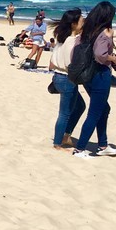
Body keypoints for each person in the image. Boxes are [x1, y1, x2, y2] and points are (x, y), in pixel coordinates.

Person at [71, 1, 116, 158]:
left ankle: (103, 144)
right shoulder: (105, 32)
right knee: (95, 112)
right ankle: (80, 148)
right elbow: (100, 55)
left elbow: (77, 50)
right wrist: (113, 59)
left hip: (87, 74)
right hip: (100, 74)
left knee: (104, 109)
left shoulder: (87, 30)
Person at [47, 8, 85, 151]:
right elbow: (71, 64)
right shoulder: (71, 41)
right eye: (81, 20)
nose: (84, 22)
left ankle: (66, 135)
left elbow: (52, 61)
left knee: (80, 106)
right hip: (66, 78)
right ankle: (57, 143)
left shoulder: (62, 39)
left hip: (59, 77)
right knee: (64, 112)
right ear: (73, 24)